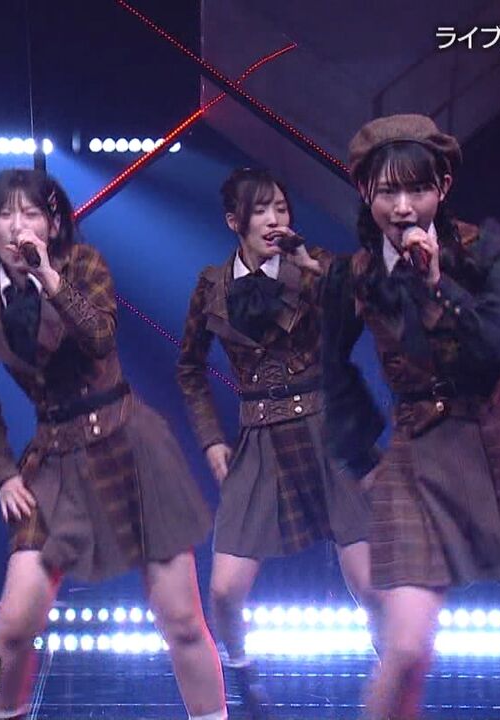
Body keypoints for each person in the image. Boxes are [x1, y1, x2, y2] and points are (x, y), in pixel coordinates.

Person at [320, 114, 500, 719]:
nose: (403, 207)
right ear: (365, 192)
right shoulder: (354, 276)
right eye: (387, 191)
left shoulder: (487, 248)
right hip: (419, 458)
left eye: (416, 190)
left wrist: (438, 285)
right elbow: (331, 368)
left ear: (443, 188)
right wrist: (362, 458)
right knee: (404, 651)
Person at [0, 168, 227, 720]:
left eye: (30, 213)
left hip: (129, 447)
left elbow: (100, 335)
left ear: (53, 224)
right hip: (53, 463)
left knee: (180, 619)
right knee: (14, 626)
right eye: (4, 215)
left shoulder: (84, 266)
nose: (17, 226)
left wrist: (49, 276)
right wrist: (3, 474)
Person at [176, 167, 381, 718]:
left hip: (325, 428)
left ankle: (392, 681)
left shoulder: (314, 266)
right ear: (234, 221)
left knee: (370, 585)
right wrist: (211, 440)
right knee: (224, 590)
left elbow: (361, 312)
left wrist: (313, 268)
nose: (274, 220)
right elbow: (189, 369)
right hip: (259, 438)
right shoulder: (212, 286)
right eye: (262, 210)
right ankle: (243, 673)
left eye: (282, 209)